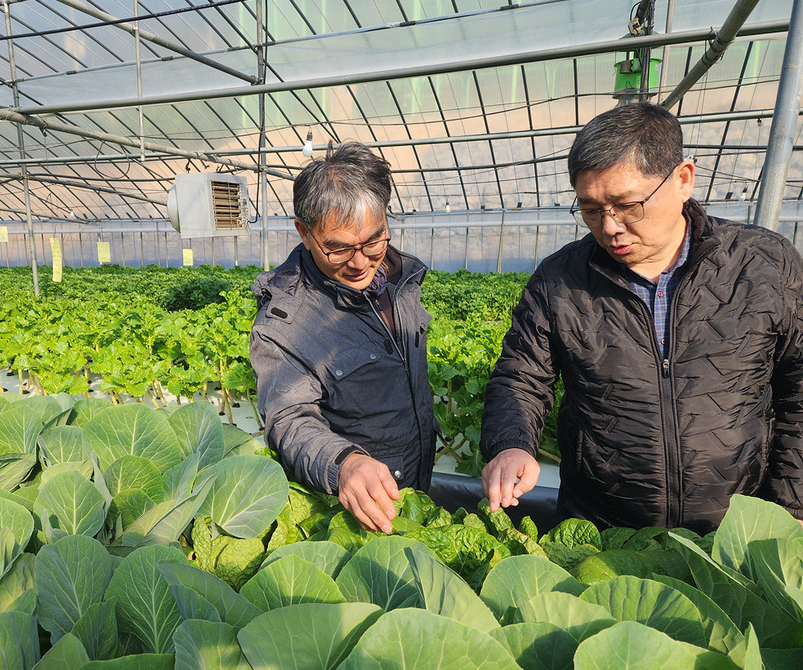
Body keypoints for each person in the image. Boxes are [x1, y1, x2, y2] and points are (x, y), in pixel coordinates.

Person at [479, 101, 803, 534]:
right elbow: (521, 377)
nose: (609, 226)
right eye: (591, 209)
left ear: (683, 180)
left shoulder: (764, 264)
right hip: (604, 531)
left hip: (736, 535)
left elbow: (798, 389)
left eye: (626, 204)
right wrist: (512, 445)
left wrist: (791, 510)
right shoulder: (560, 280)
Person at [249, 141, 437, 534]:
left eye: (373, 240)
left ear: (385, 219)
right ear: (304, 232)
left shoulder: (399, 280)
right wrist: (345, 463)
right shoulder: (284, 323)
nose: (359, 261)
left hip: (417, 487)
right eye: (337, 248)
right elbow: (289, 418)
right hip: (355, 511)